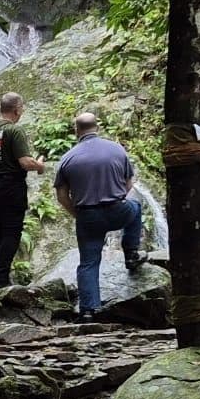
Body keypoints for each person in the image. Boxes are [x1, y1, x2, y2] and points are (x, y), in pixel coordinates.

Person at [53, 112, 145, 318]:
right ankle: (131, 253)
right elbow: (129, 184)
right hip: (117, 210)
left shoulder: (68, 158)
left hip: (87, 215)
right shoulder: (116, 149)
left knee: (88, 262)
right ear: (97, 127)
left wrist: (76, 214)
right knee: (136, 207)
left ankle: (88, 310)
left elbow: (61, 195)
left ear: (76, 130)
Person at [0, 90, 46, 286]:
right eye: (21, 108)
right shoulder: (15, 131)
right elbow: (25, 162)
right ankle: (1, 278)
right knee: (12, 231)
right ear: (16, 110)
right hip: (12, 187)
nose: (21, 112)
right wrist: (39, 165)